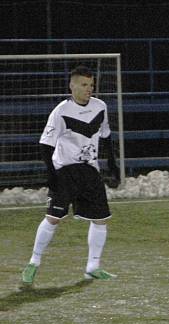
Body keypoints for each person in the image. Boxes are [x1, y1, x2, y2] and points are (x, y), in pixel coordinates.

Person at [21, 65, 119, 285]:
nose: (89, 89)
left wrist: (112, 163)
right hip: (65, 171)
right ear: (72, 86)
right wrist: (51, 175)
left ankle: (93, 267)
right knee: (53, 218)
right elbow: (45, 145)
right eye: (84, 85)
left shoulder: (99, 106)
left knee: (101, 219)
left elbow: (106, 136)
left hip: (89, 171)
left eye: (91, 85)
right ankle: (33, 262)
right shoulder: (61, 111)